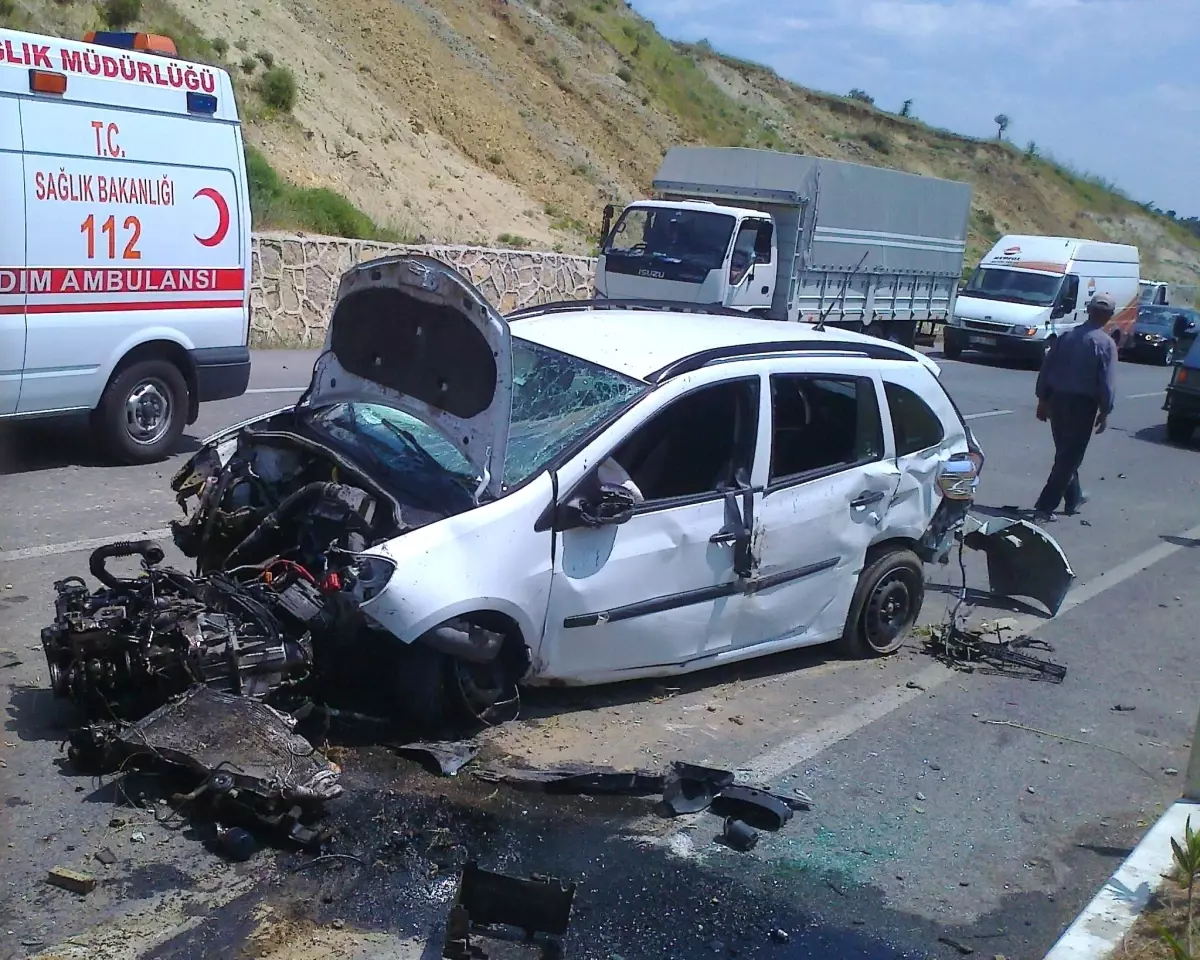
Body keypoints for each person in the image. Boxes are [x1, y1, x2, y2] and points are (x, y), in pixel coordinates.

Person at [1031, 292, 1118, 522]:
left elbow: (1047, 369)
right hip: (1082, 404)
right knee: (1069, 457)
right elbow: (1106, 382)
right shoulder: (1105, 343)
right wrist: (1105, 410)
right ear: (1109, 316)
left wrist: (1043, 399)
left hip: (1058, 399)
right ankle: (1045, 507)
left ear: (1089, 310)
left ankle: (1074, 498)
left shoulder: (1067, 337)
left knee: (1065, 452)